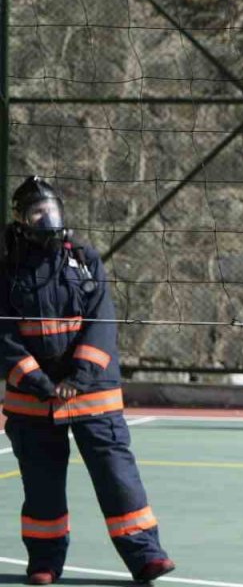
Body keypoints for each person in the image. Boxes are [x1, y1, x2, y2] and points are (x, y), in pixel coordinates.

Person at [0, 177, 175, 585]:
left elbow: (102, 322)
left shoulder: (83, 258)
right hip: (33, 400)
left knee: (118, 478)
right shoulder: (7, 270)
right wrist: (39, 382)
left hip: (93, 394)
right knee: (42, 488)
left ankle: (146, 555)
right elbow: (3, 337)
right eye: (37, 211)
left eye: (52, 209)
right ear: (22, 220)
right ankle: (44, 562)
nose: (47, 217)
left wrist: (80, 376)